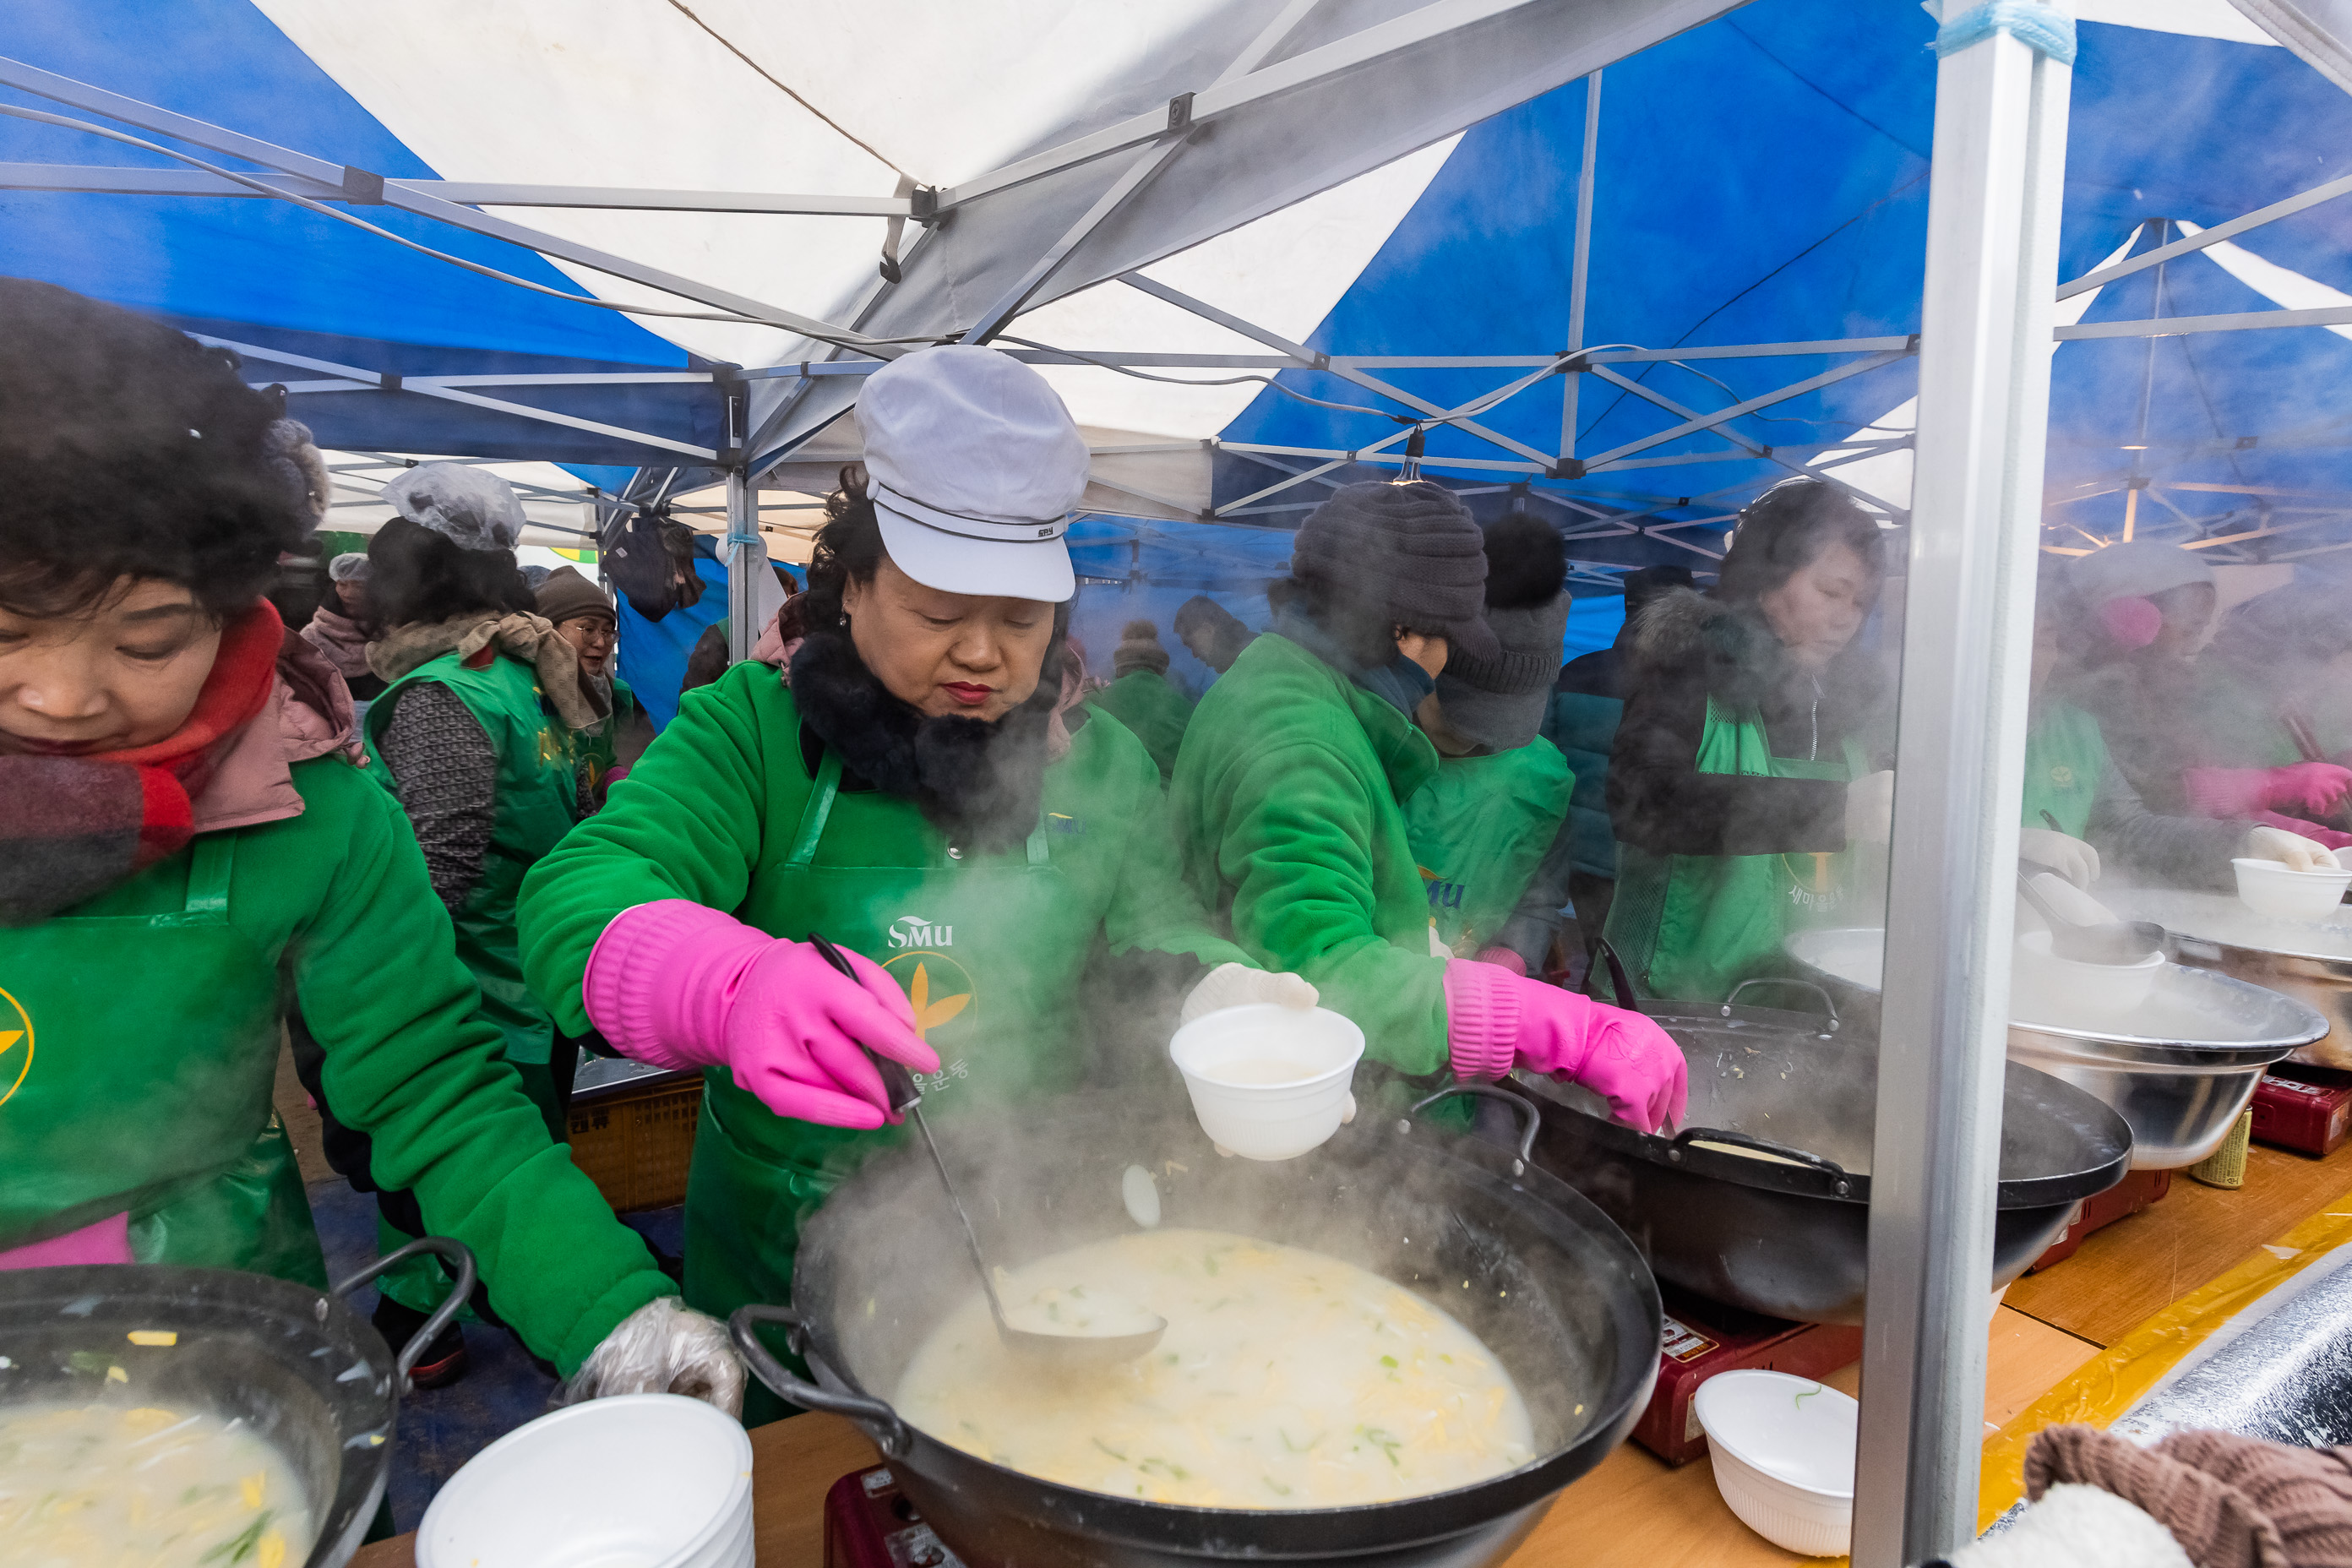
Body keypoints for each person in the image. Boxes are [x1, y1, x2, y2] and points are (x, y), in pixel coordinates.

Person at [514, 347, 1311, 1419]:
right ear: (852, 589)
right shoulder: (753, 735)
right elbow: (580, 893)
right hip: (780, 1252)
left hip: (1034, 1229)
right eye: (940, 612)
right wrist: (728, 982)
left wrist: (1213, 991)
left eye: (1022, 619)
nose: (983, 652)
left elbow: (1156, 925)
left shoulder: (1105, 762)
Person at [0, 278, 737, 1414]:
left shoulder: (312, 805)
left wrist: (609, 1307)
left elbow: (428, 1079)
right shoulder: (479, 692)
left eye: (148, 638)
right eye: (7, 630)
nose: (63, 694)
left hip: (212, 1349)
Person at [1171, 479, 1686, 1135]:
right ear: (1403, 633)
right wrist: (1548, 1026)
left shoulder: (1300, 690)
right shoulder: (1304, 739)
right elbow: (1317, 968)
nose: (1448, 665)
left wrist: (1427, 943)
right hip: (1266, 1113)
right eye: (1450, 638)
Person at [360, 466, 626, 1361]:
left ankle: (429, 1316)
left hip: (469, 984)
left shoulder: (446, 693)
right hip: (540, 962)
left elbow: (440, 861)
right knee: (530, 1149)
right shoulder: (528, 672)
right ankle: (539, 1290)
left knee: (452, 1161)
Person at [1604, 477, 1895, 1004]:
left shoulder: (1851, 703)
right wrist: (1833, 811)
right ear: (1765, 578)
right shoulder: (1690, 666)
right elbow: (1641, 802)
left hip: (1804, 1002)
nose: (1845, 620)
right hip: (1669, 1008)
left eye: (1860, 603)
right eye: (1830, 591)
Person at [2016, 574, 2337, 888]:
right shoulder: (2104, 694)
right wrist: (2007, 846)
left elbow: (2127, 831)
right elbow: (2160, 790)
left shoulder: (2075, 731)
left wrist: (2248, 841)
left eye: (2044, 640)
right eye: (2189, 622)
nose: (2029, 660)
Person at [1402, 512, 1578, 975]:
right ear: (1423, 657)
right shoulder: (1366, 749)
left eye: (1501, 724)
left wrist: (1513, 953)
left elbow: (1540, 898)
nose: (1481, 736)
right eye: (1465, 713)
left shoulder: (1543, 781)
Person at [1544, 564, 1695, 957]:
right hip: (1645, 853)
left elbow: (1543, 754)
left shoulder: (1575, 671)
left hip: (1577, 850)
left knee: (1598, 953)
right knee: (1630, 965)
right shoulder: (1686, 686)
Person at [2057, 540, 2220, 815]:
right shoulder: (2096, 693)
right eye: (2190, 628)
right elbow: (2153, 793)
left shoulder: (2150, 686)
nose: (2193, 648)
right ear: (2131, 618)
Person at [536, 564, 653, 803]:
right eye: (588, 629)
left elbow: (608, 760)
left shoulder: (613, 694)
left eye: (609, 632)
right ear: (549, 630)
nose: (601, 642)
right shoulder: (526, 693)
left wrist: (624, 789)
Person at [1085, 618, 1195, 779]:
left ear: (1120, 664)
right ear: (1161, 665)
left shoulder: (1098, 702)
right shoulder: (1183, 704)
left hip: (1115, 792)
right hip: (1172, 796)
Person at [300, 551, 386, 705]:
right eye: (342, 584)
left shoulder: (389, 633)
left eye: (359, 585)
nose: (348, 593)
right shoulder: (312, 635)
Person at [1173, 594, 1257, 674]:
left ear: (1207, 630)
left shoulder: (1253, 657)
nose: (1194, 655)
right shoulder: (1242, 657)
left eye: (1192, 644)